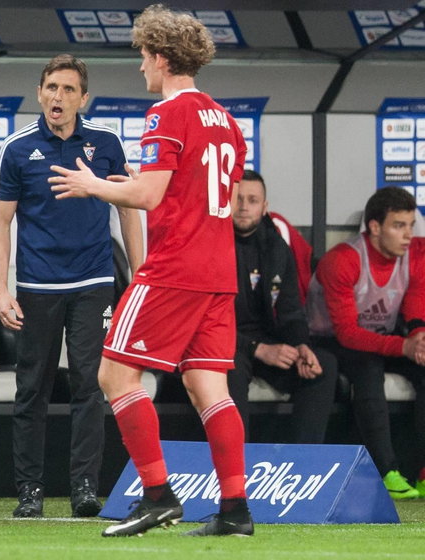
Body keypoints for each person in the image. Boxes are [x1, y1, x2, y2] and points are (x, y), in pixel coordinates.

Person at [49, 5, 253, 537]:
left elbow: (146, 195)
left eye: (143, 56)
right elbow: (213, 193)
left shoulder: (168, 113)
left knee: (113, 375)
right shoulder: (225, 120)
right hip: (218, 271)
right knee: (210, 388)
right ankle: (236, 510)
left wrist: (93, 184)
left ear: (161, 58)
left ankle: (158, 495)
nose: (141, 67)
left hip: (174, 268)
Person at [0, 54, 144, 518]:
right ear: (39, 93)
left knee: (89, 386)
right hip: (37, 285)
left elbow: (129, 211)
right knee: (31, 388)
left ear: (83, 98)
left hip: (94, 281)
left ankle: (83, 487)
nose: (58, 97)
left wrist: (140, 280)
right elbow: (1, 224)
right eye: (52, 88)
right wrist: (2, 289)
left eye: (68, 90)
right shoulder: (16, 149)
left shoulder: (106, 142)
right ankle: (30, 491)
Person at [308, 186, 425, 500]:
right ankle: (386, 471)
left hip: (381, 339)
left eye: (411, 226)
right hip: (329, 342)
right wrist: (403, 346)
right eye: (399, 226)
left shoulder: (414, 254)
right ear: (375, 227)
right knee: (368, 367)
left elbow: (415, 302)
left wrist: (418, 336)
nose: (407, 235)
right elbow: (346, 332)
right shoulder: (343, 260)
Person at [229, 170, 337, 444]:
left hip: (265, 341)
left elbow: (290, 309)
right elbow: (202, 322)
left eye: (252, 200)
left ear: (265, 207)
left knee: (322, 365)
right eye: (237, 198)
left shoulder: (276, 245)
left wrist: (301, 345)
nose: (243, 206)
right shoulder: (209, 242)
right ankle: (235, 473)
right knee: (227, 368)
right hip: (222, 342)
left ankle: (302, 465)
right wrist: (257, 349)